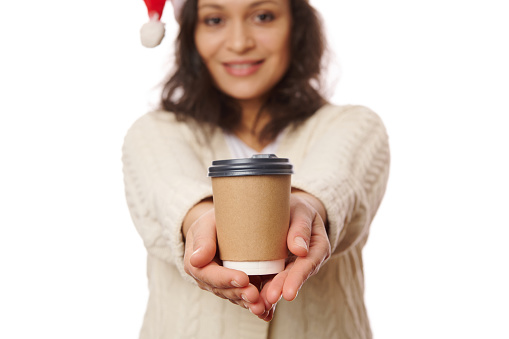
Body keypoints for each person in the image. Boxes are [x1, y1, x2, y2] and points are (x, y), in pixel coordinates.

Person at [123, 0, 390, 338]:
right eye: (215, 19)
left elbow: (337, 179)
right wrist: (199, 226)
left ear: (296, 24)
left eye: (262, 16)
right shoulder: (154, 133)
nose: (239, 42)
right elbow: (171, 192)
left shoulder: (354, 125)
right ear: (192, 32)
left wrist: (309, 211)